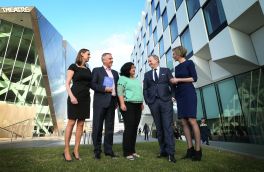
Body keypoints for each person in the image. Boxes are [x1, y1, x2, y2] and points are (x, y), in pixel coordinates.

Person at [170, 46, 202, 161]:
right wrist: (174, 95)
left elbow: (194, 78)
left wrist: (178, 80)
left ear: (178, 53)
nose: (173, 56)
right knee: (183, 122)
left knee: (191, 120)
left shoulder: (189, 63)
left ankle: (198, 151)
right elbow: (176, 83)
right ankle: (190, 150)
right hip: (180, 95)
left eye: (173, 53)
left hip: (189, 92)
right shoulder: (177, 67)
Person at [143, 55, 176, 163]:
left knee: (167, 127)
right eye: (148, 61)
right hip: (154, 103)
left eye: (150, 61)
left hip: (166, 102)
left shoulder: (166, 71)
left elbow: (173, 85)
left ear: (157, 60)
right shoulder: (147, 74)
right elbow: (145, 89)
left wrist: (173, 96)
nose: (149, 63)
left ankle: (171, 154)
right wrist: (148, 101)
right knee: (159, 128)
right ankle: (163, 151)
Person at [64, 48, 92, 161]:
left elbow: (91, 84)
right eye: (88, 54)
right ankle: (66, 150)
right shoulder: (73, 66)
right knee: (71, 122)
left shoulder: (88, 69)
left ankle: (76, 150)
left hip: (85, 98)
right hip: (74, 96)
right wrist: (71, 96)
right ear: (82, 54)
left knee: (81, 124)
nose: (90, 56)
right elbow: (67, 83)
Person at [91, 53, 119, 160]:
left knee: (110, 128)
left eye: (112, 58)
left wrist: (116, 101)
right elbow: (92, 84)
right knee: (97, 127)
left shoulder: (115, 73)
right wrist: (104, 89)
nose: (112, 59)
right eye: (110, 58)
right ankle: (97, 151)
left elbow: (116, 88)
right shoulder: (97, 70)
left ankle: (108, 150)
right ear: (104, 60)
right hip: (100, 103)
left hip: (112, 103)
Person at [117, 62, 144, 160]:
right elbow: (120, 92)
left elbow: (139, 92)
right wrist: (122, 103)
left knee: (134, 128)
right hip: (128, 104)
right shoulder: (122, 79)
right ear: (127, 69)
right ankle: (127, 152)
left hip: (138, 105)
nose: (134, 69)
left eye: (134, 67)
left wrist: (141, 103)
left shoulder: (136, 80)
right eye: (132, 68)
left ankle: (132, 151)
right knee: (129, 128)